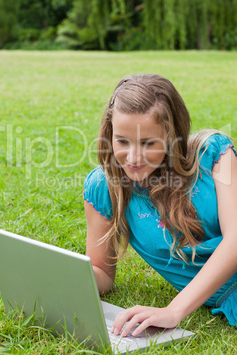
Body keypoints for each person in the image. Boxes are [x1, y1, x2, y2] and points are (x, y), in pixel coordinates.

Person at [83, 74, 237, 337]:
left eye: (148, 143)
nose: (133, 158)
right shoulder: (105, 188)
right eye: (122, 141)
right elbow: (102, 273)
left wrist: (174, 310)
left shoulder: (213, 153)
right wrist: (56, 279)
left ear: (171, 135)